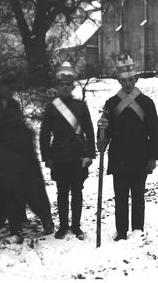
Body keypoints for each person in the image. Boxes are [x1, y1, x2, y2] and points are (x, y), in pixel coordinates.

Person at [0, 75, 54, 244]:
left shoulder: (13, 104)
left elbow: (18, 125)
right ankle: (0, 225)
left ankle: (27, 220)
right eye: (9, 88)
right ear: (0, 86)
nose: (11, 92)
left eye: (13, 89)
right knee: (0, 190)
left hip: (17, 153)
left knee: (28, 187)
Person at [96, 54, 158, 242]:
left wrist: (153, 157)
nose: (127, 83)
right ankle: (122, 231)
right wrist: (102, 140)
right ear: (118, 80)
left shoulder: (147, 103)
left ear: (136, 79)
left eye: (130, 79)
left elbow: (154, 132)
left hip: (141, 156)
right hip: (119, 157)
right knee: (120, 198)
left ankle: (138, 230)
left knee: (138, 196)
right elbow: (104, 127)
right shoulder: (111, 103)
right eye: (123, 80)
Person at [39, 62, 96, 240]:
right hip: (59, 155)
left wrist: (89, 154)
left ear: (72, 86)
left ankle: (76, 226)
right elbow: (44, 134)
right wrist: (47, 157)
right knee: (62, 193)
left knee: (77, 192)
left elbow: (89, 131)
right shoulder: (51, 107)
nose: (64, 87)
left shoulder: (81, 106)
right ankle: (63, 226)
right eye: (61, 85)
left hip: (78, 154)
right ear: (57, 86)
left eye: (68, 84)